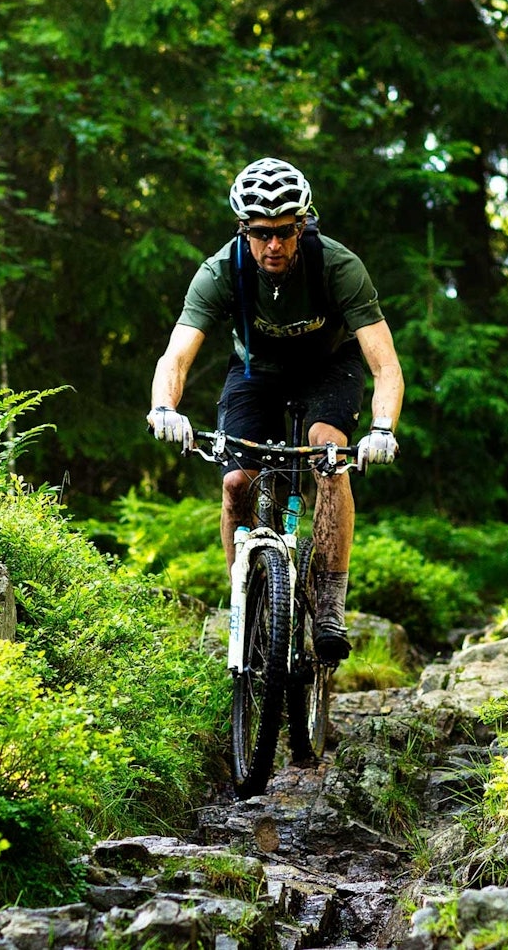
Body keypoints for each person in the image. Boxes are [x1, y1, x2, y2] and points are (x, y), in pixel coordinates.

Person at [146, 157, 404, 663]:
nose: (273, 245)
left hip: (329, 367)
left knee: (328, 455)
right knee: (235, 483)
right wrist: (164, 408)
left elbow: (385, 363)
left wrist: (381, 429)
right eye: (261, 233)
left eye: (284, 232)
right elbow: (175, 356)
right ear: (244, 229)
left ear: (302, 226)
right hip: (255, 373)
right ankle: (243, 602)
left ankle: (329, 605)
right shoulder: (221, 271)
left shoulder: (337, 266)